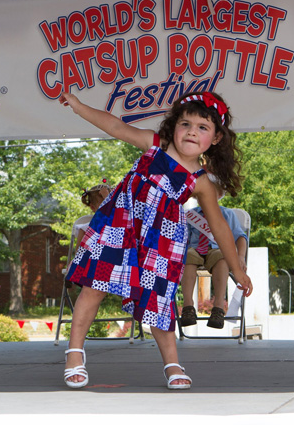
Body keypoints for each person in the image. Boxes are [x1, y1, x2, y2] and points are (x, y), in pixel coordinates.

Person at [59, 90, 253, 390]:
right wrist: (80, 107)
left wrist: (238, 270)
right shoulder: (155, 147)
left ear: (215, 139)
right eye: (185, 124)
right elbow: (116, 126)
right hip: (120, 226)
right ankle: (74, 354)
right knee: (94, 286)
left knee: (159, 301)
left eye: (202, 127)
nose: (191, 132)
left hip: (160, 241)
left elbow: (220, 228)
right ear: (173, 126)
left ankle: (172, 363)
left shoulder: (200, 181)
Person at [180, 179, 247, 329]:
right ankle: (188, 306)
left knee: (222, 257)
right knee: (188, 256)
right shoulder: (190, 215)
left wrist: (241, 256)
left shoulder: (227, 214)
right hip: (195, 249)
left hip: (217, 250)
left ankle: (218, 308)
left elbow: (241, 237)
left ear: (219, 194)